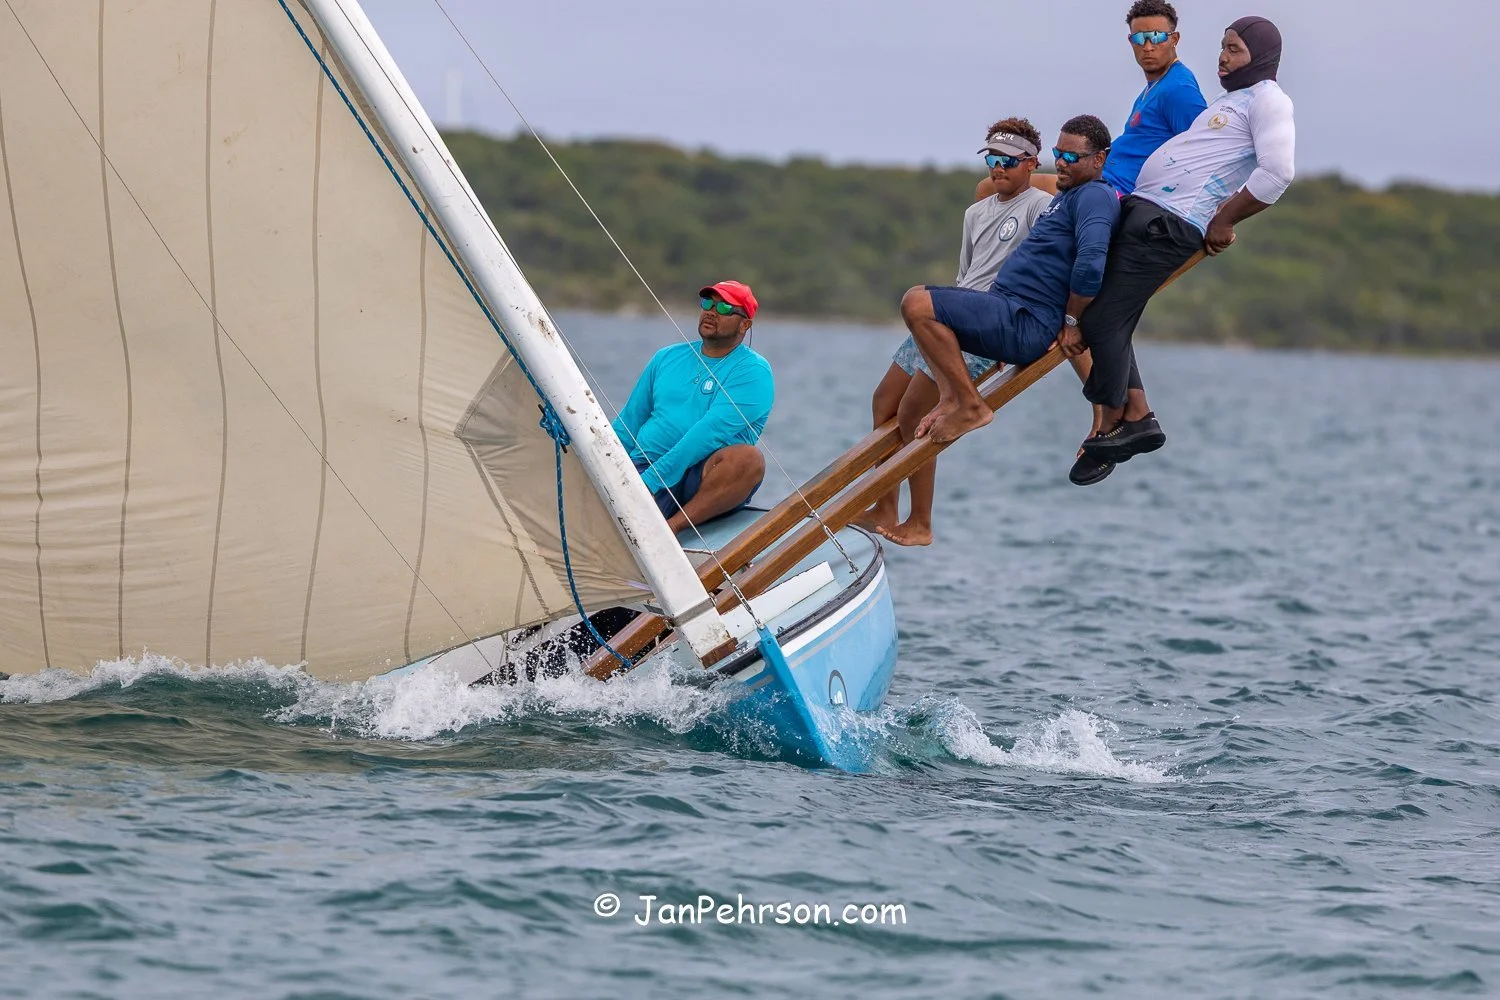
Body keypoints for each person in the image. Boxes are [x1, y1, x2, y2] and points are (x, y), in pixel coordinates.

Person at [1063, 16, 1295, 484]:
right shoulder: (1232, 101)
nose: (1223, 57)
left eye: (1235, 49)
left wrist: (1225, 220)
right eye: (1223, 47)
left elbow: (1277, 173)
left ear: (1262, 56)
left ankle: (1116, 422)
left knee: (1101, 318)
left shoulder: (1269, 100)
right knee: (1108, 315)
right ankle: (1137, 416)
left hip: (1171, 223)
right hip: (1149, 212)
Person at [859, 118, 1052, 546]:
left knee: (914, 413)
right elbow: (966, 273)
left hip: (989, 318)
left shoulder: (1040, 206)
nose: (998, 168)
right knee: (884, 401)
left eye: (1009, 161)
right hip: (951, 312)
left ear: (1031, 163)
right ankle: (885, 505)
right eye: (992, 160)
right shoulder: (976, 212)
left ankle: (921, 522)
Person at [908, 116, 1121, 445]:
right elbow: (988, 191)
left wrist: (1071, 321)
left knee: (916, 303)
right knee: (918, 298)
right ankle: (954, 399)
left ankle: (971, 406)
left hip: (1026, 320)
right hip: (1004, 309)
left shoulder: (1093, 196)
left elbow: (1091, 264)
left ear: (1099, 159)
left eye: (1071, 157)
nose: (1061, 162)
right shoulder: (1067, 197)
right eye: (1058, 154)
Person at [611, 280, 774, 534]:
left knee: (749, 459)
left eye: (724, 308)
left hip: (699, 479)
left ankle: (671, 528)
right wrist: (604, 467)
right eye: (708, 303)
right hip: (646, 464)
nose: (711, 312)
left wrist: (650, 483)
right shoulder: (665, 357)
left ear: (745, 325)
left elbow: (708, 433)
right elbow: (628, 423)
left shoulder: (754, 371)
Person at [1104, 0, 1208, 197]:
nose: (1148, 46)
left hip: (1122, 195)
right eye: (1140, 38)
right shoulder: (1153, 88)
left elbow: (1202, 154)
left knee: (1043, 186)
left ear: (1174, 39)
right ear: (1131, 41)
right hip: (1104, 184)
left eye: (1157, 37)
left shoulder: (1179, 88)